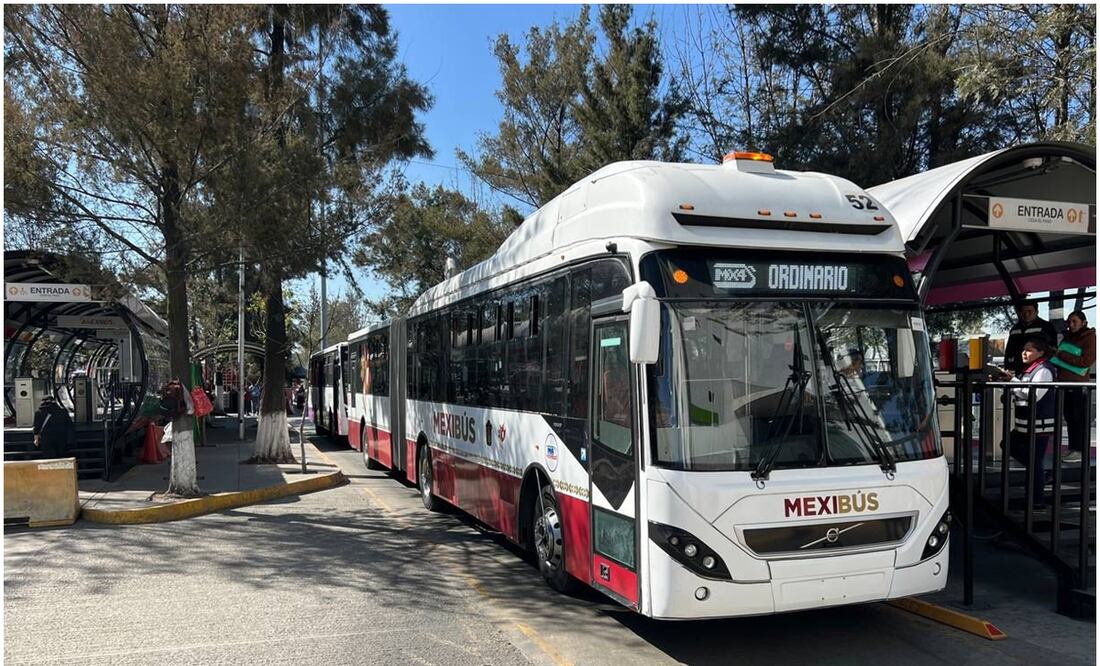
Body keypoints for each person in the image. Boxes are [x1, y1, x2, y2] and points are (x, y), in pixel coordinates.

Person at [995, 339, 1057, 507]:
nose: (1024, 352)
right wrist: (1007, 382)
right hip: (1025, 425)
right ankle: (1038, 480)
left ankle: (1037, 500)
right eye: (1024, 349)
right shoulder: (1029, 370)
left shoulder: (1044, 370)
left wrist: (1012, 381)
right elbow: (1021, 392)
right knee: (1009, 445)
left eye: (1029, 350)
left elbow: (1032, 395)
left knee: (1034, 462)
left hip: (1039, 425)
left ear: (1041, 352)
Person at [1050, 310, 1095, 463]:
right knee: (1070, 418)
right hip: (1064, 382)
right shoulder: (1067, 336)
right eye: (1069, 321)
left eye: (1074, 321)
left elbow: (1086, 361)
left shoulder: (1089, 338)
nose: (1071, 324)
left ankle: (1080, 450)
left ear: (1084, 322)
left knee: (1078, 418)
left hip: (1077, 384)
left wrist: (1061, 355)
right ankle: (1073, 448)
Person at [1003, 300, 1058, 375]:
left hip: (1038, 369)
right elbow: (1009, 351)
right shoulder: (1015, 328)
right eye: (1023, 312)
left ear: (1036, 312)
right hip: (1017, 368)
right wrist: (1007, 367)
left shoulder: (1046, 326)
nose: (1026, 314)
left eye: (1029, 311)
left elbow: (1052, 349)